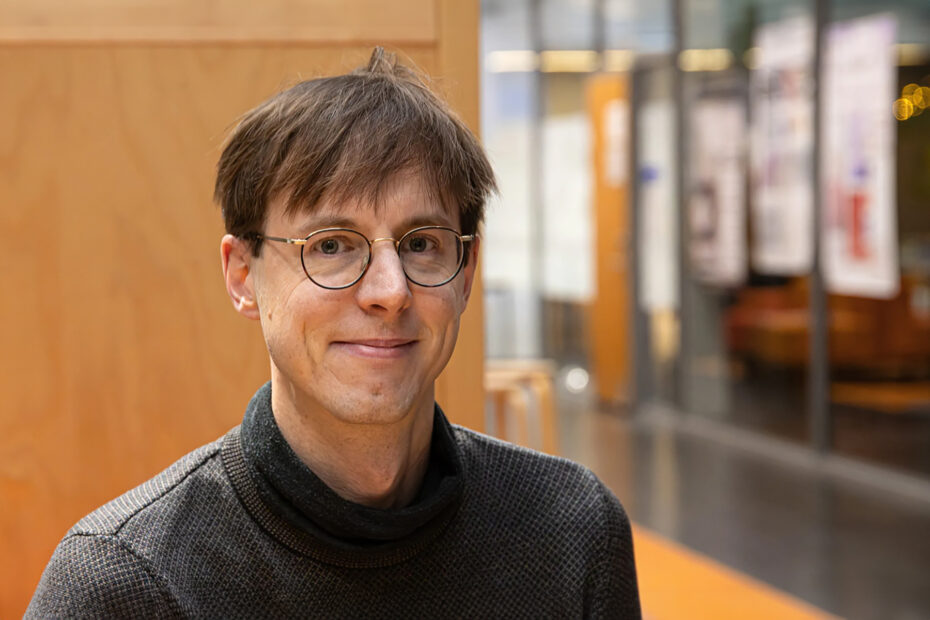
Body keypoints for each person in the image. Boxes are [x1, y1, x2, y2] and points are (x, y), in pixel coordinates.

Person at [27, 48, 641, 619]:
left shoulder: (572, 532)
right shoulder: (125, 582)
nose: (390, 290)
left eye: (422, 244)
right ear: (243, 275)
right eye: (331, 246)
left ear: (467, 274)